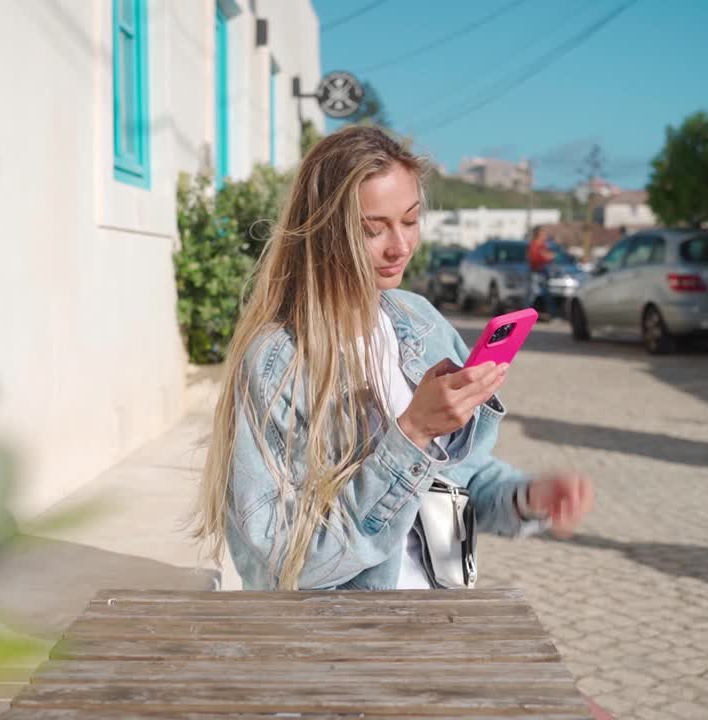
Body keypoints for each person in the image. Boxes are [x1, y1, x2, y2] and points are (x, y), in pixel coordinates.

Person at [193, 126, 593, 591]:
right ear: (324, 231)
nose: (399, 246)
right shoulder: (277, 363)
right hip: (332, 643)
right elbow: (290, 563)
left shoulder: (420, 322)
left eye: (410, 220)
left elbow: (460, 481)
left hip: (430, 622)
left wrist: (529, 496)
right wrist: (413, 433)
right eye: (372, 228)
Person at [526, 225, 558, 316]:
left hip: (542, 271)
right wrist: (546, 256)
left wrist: (548, 256)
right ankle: (527, 314)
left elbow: (546, 256)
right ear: (538, 234)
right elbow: (534, 258)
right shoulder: (534, 244)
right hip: (536, 272)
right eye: (543, 233)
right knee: (533, 294)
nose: (545, 235)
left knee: (546, 294)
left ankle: (552, 313)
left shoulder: (543, 245)